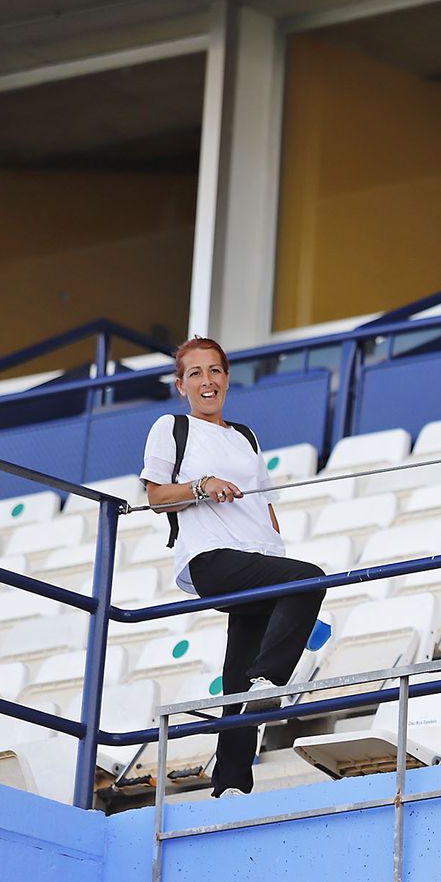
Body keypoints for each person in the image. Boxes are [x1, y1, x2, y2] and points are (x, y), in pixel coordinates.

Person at [140, 336, 326, 798]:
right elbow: (156, 497)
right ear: (181, 385)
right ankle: (271, 682)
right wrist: (201, 486)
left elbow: (265, 506)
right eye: (196, 373)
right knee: (309, 579)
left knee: (240, 674)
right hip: (212, 556)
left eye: (215, 371)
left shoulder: (245, 436)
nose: (207, 381)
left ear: (226, 378)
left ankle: (230, 785)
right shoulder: (171, 427)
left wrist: (278, 563)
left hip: (257, 558)